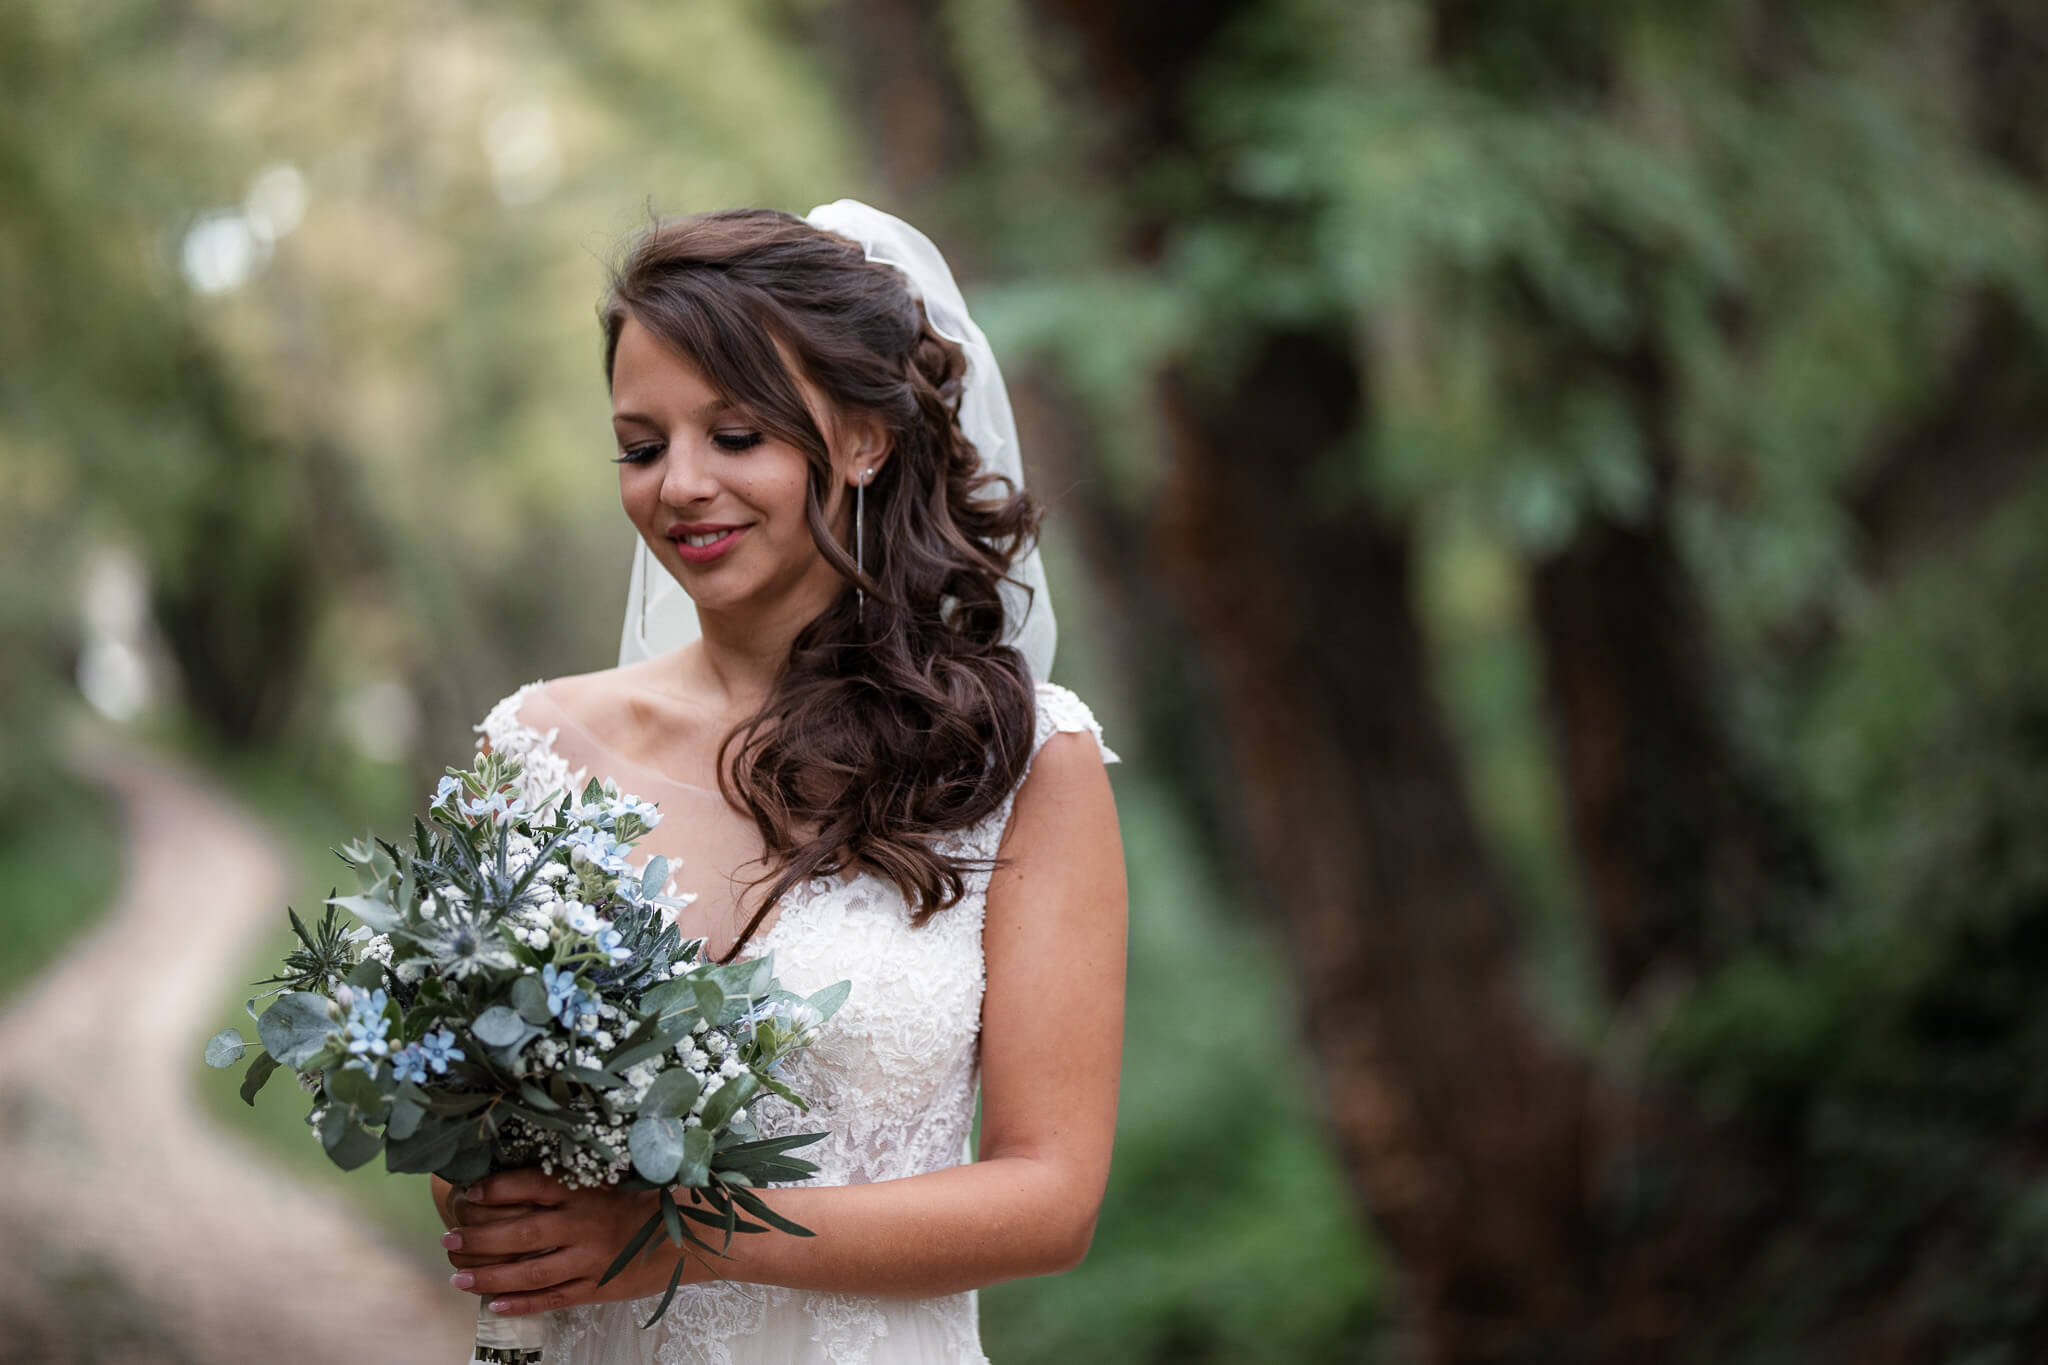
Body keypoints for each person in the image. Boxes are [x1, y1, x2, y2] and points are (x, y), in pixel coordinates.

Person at [429, 200, 1128, 1365]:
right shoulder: (539, 751)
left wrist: (687, 1229)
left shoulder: (1020, 759)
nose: (681, 486)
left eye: (737, 435)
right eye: (643, 447)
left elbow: (1049, 1198)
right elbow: (475, 1164)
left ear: (861, 438)